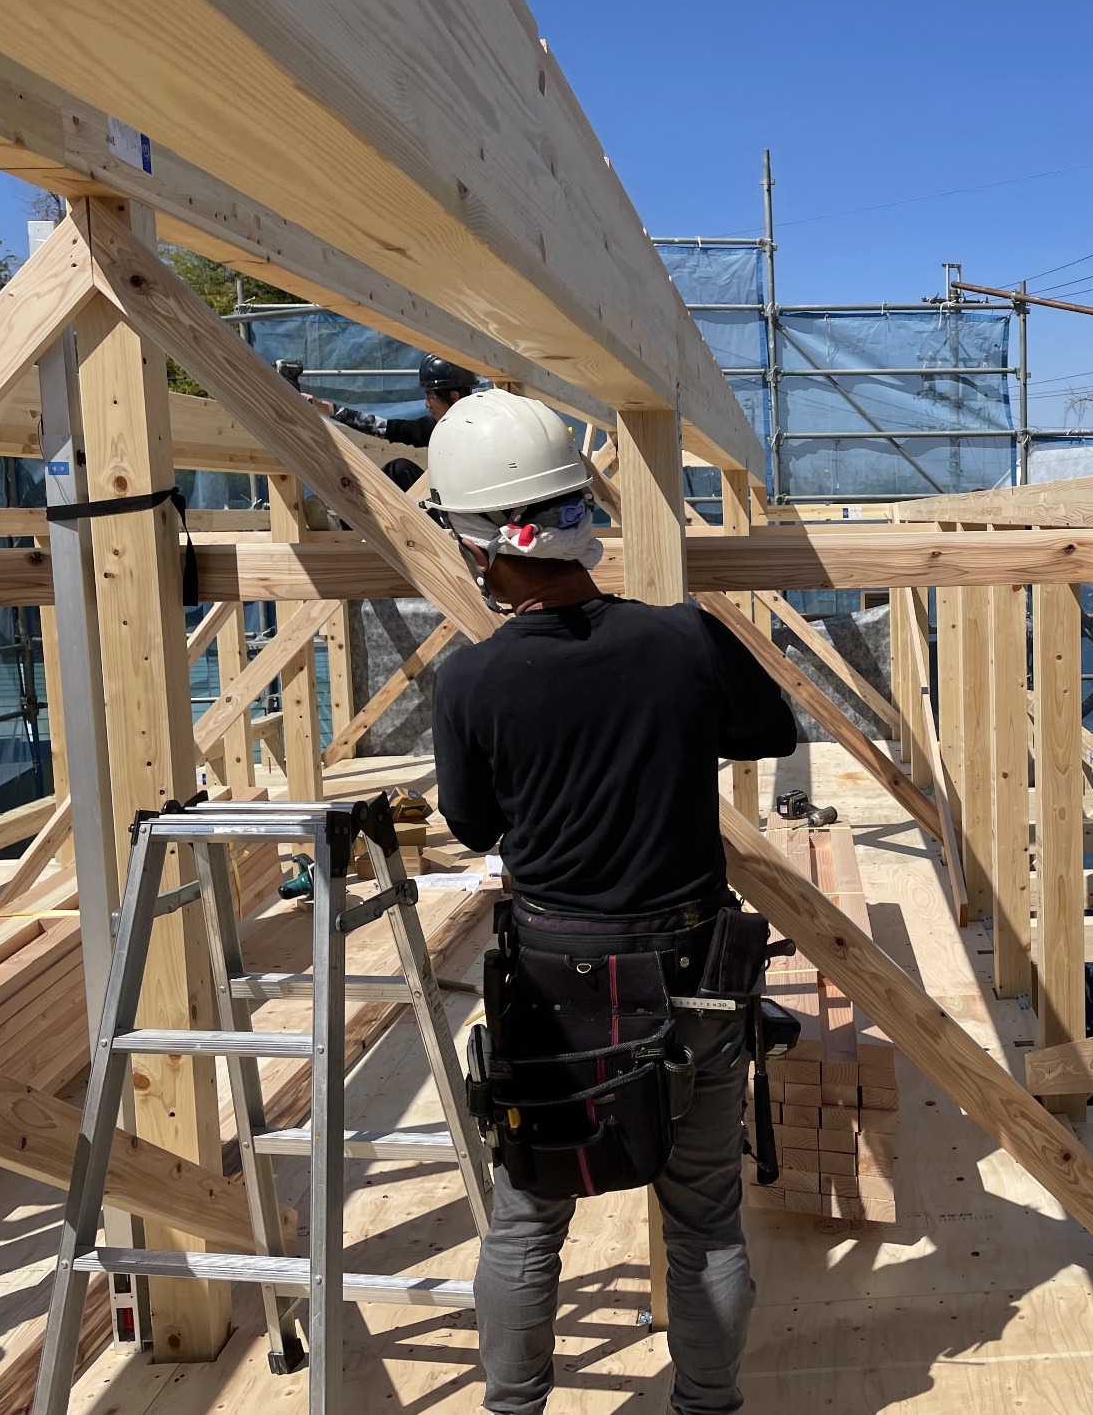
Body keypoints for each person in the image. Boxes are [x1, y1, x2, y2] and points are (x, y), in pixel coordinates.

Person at [426, 388, 797, 1415]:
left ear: (480, 547)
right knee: (705, 1221)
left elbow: (473, 827)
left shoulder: (472, 682)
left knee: (527, 1220)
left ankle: (514, 1408)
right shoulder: (683, 639)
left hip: (557, 991)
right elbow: (770, 732)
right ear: (577, 519)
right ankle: (707, 1406)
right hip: (694, 977)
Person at [304, 352, 480, 450]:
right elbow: (385, 428)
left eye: (430, 396)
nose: (427, 405)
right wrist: (330, 409)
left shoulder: (484, 431)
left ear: (454, 396)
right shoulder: (434, 428)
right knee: (398, 469)